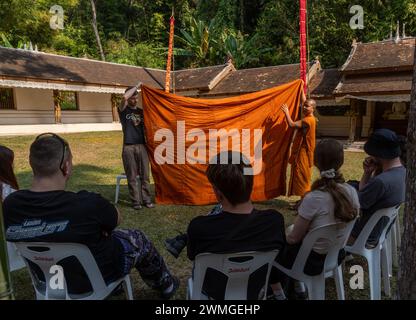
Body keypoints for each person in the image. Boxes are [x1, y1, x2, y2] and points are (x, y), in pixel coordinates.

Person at [3, 133, 178, 298]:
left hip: (49, 281)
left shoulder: (10, 205)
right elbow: (116, 219)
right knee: (138, 238)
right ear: (66, 166)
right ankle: (166, 285)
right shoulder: (87, 204)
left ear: (32, 164)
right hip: (98, 279)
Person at [186, 151, 286, 300]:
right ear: (250, 184)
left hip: (214, 292)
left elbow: (192, 255)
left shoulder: (200, 227)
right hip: (254, 290)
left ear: (217, 192)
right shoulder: (274, 221)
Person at [270, 139, 360, 300]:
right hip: (336, 254)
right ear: (341, 161)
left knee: (273, 246)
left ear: (315, 161)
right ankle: (297, 285)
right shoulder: (351, 192)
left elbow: (293, 238)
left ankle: (279, 293)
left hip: (310, 262)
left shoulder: (314, 198)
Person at [348, 129, 406, 246]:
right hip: (377, 231)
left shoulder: (381, 182)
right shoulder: (403, 172)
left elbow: (355, 205)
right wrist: (367, 173)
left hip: (362, 236)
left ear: (379, 154)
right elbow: (363, 192)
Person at [118, 84, 154, 210]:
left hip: (142, 145)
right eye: (133, 97)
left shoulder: (141, 112)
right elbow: (123, 98)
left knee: (145, 175)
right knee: (131, 176)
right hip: (128, 147)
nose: (135, 99)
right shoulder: (123, 110)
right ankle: (135, 201)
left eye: (136, 97)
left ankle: (146, 199)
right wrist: (137, 86)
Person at [281, 97, 317, 199]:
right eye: (304, 105)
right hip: (306, 151)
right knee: (301, 176)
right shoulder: (312, 118)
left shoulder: (307, 120)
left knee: (302, 176)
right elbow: (304, 99)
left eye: (307, 106)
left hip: (303, 152)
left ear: (313, 108)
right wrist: (301, 87)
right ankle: (302, 201)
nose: (304, 107)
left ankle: (304, 201)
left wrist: (286, 112)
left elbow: (292, 124)